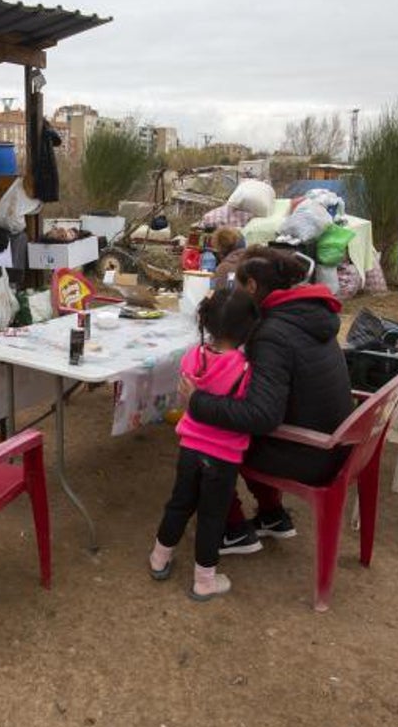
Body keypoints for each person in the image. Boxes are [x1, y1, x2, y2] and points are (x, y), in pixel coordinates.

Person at [185, 246, 355, 553]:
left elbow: (262, 416)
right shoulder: (309, 311)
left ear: (251, 286)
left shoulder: (272, 332)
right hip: (336, 444)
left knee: (204, 438)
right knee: (226, 421)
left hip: (312, 455)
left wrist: (196, 402)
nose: (234, 292)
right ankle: (272, 515)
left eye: (236, 284)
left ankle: (232, 528)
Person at [147, 289, 258, 600]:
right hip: (223, 457)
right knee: (212, 516)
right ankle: (205, 580)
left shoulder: (192, 357)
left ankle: (159, 557)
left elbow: (187, 394)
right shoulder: (245, 367)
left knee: (179, 504)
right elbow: (248, 409)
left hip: (190, 448)